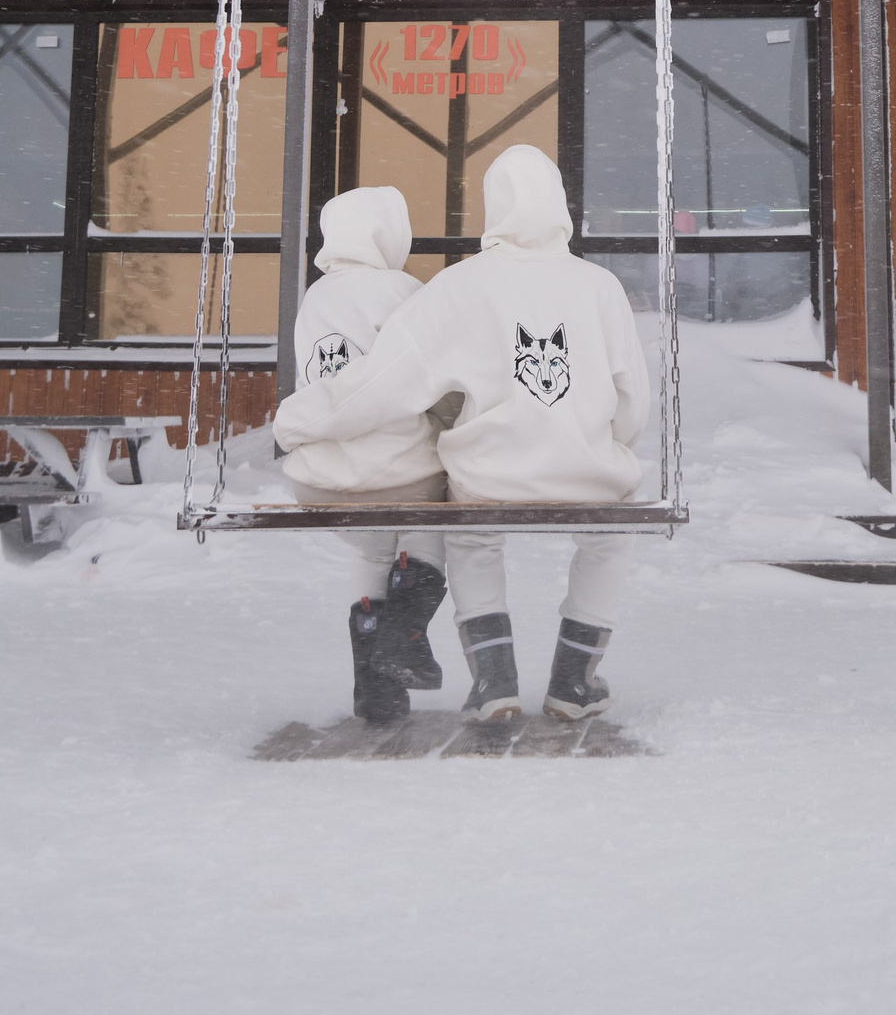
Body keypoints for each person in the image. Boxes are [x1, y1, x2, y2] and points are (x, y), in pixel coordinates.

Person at [274, 144, 648, 723]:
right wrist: (598, 440)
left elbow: (388, 385)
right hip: (589, 469)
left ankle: (494, 686)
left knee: (471, 535)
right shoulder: (600, 286)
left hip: (490, 471)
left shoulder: (460, 286)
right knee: (610, 535)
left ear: (493, 207)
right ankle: (574, 683)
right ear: (559, 205)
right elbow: (631, 400)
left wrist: (302, 421)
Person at [281, 185, 447, 724]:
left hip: (321, 477)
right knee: (433, 511)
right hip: (397, 476)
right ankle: (404, 634)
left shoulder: (315, 298)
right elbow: (436, 385)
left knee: (374, 550)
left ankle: (375, 690)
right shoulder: (404, 291)